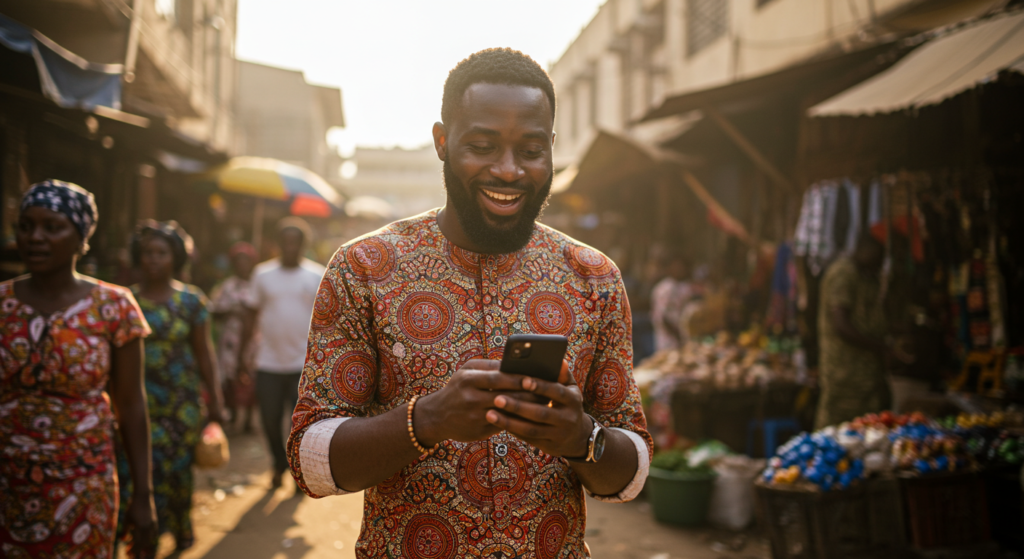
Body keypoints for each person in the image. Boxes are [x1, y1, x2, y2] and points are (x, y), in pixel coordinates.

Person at [287, 48, 651, 557]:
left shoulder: (594, 277)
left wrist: (580, 437)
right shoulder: (365, 268)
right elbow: (311, 461)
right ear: (442, 142)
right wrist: (427, 419)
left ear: (550, 147)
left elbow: (631, 473)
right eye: (481, 145)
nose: (508, 171)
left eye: (530, 150)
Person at [0, 180, 156, 557]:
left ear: (80, 238)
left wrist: (143, 496)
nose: (35, 237)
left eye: (52, 228)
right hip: (7, 483)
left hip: (85, 482)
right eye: (26, 226)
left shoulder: (114, 306)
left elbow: (131, 405)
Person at [117, 220, 224, 557]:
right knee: (134, 472)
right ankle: (143, 536)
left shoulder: (192, 301)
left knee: (176, 472)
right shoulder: (124, 302)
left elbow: (205, 354)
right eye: (147, 252)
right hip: (135, 403)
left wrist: (217, 403)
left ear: (175, 257)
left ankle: (177, 531)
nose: (153, 259)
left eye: (161, 253)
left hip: (181, 405)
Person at [246, 218, 325, 488]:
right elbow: (251, 314)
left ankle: (296, 472)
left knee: (299, 425)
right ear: (277, 244)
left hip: (303, 365)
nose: (290, 247)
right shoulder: (262, 275)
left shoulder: (316, 275)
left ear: (304, 245)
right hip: (267, 362)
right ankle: (278, 462)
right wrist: (243, 354)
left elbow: (327, 321)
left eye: (296, 242)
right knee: (268, 419)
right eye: (286, 241)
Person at [815, 233, 912, 429]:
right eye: (879, 255)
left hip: (870, 377)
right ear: (865, 250)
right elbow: (841, 325)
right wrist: (883, 347)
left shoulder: (867, 276)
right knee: (836, 431)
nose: (882, 261)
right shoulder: (843, 273)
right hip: (846, 376)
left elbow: (872, 320)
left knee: (869, 431)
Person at [209, 241, 259, 432]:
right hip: (230, 339)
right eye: (238, 260)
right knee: (229, 375)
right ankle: (233, 413)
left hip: (253, 339)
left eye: (246, 260)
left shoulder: (257, 284)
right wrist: (232, 312)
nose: (242, 264)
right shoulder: (227, 287)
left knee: (251, 375)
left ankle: (248, 419)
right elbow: (214, 311)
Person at [650, 254, 694, 351]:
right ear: (669, 268)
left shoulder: (679, 285)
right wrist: (679, 337)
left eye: (682, 266)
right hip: (669, 341)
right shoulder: (666, 288)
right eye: (677, 267)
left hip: (676, 339)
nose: (680, 269)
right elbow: (664, 317)